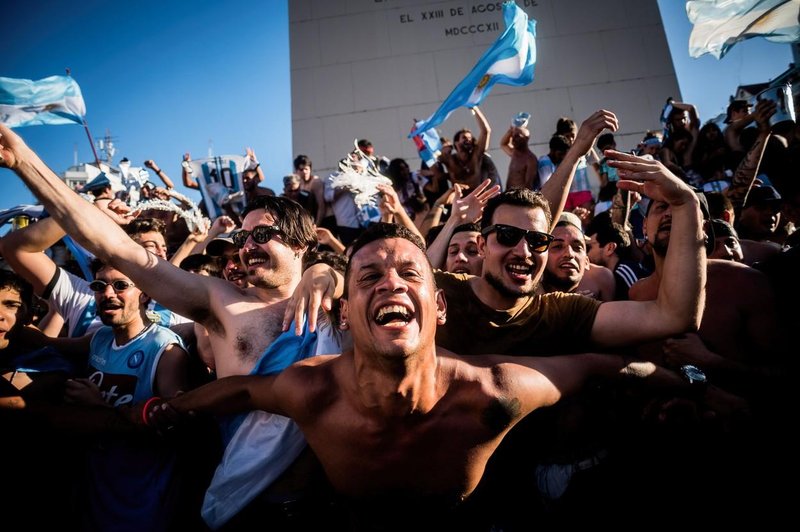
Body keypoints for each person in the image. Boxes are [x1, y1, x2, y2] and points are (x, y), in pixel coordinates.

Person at [140, 222, 728, 531]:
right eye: (368, 277)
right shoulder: (313, 388)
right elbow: (241, 388)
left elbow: (605, 366)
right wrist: (156, 410)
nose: (390, 284)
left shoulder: (493, 394)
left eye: (408, 274)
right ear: (344, 312)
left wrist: (698, 384)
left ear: (440, 307)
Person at [0, 122, 344, 531]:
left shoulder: (337, 303)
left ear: (301, 245)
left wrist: (329, 273)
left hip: (332, 505)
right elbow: (117, 248)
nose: (247, 246)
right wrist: (24, 161)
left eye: (263, 234)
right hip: (252, 506)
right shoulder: (220, 302)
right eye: (242, 237)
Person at [499, 122, 539, 190]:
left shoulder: (530, 159)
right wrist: (510, 131)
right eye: (513, 136)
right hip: (508, 194)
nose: (513, 140)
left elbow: (529, 185)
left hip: (519, 197)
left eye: (517, 136)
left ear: (526, 139)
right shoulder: (514, 153)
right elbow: (503, 144)